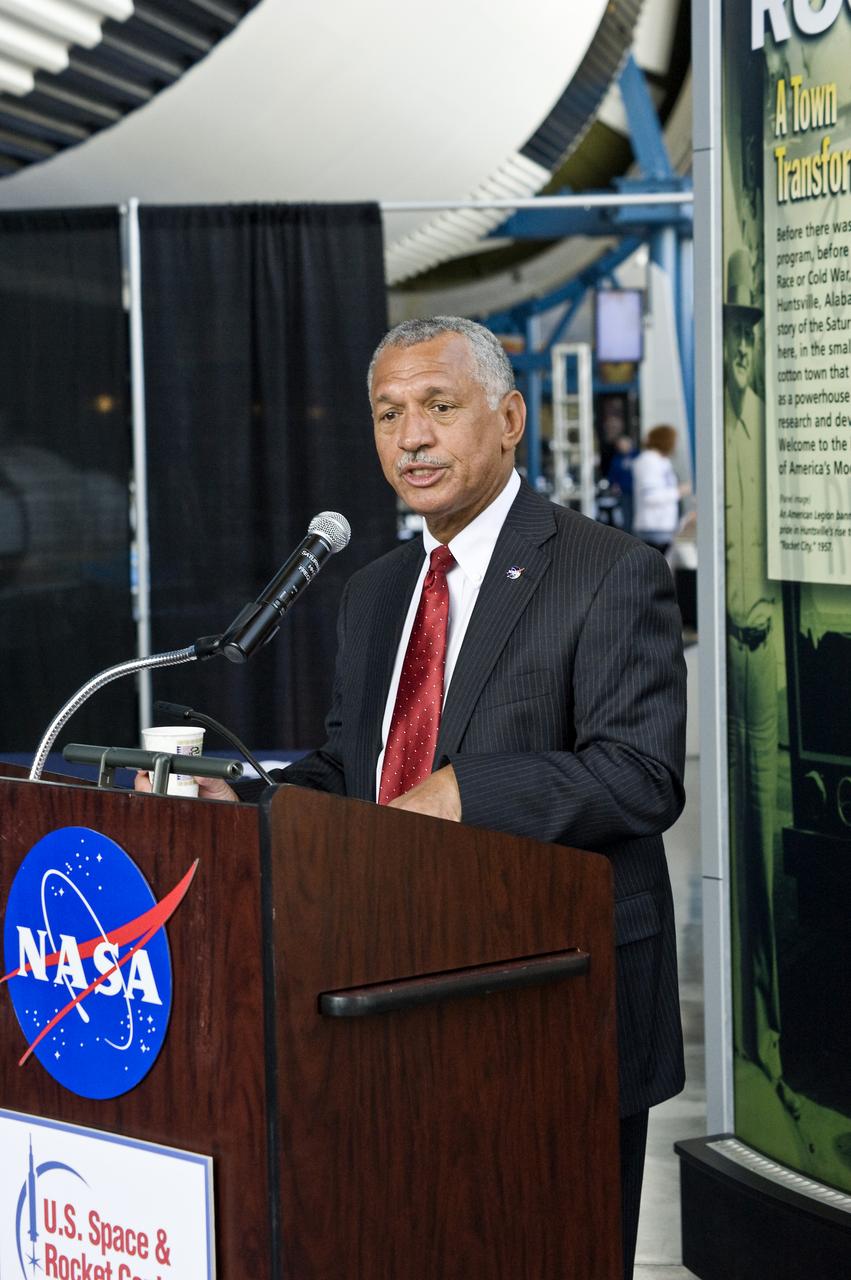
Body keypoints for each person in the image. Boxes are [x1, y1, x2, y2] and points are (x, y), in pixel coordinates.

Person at [140, 317, 686, 1278]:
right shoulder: (377, 590)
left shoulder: (606, 570)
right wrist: (244, 800)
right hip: (386, 989)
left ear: (508, 419)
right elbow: (351, 770)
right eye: (388, 414)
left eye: (438, 405)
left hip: (552, 1002)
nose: (412, 438)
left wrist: (466, 790)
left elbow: (639, 777)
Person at [722, 250, 782, 1091]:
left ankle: (769, 1012)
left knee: (764, 835)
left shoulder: (764, 423)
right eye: (733, 334)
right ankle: (753, 1023)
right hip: (731, 659)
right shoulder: (726, 428)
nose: (740, 351)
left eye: (748, 337)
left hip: (763, 657)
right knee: (740, 840)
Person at [632, 424, 687, 556]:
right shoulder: (648, 461)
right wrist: (679, 491)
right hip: (653, 527)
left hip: (663, 526)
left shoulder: (662, 461)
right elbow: (650, 496)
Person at [606, 434, 638, 533]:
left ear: (630, 444)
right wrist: (613, 484)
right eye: (620, 445)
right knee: (626, 514)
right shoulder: (617, 458)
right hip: (623, 492)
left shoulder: (638, 456)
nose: (622, 447)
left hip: (637, 491)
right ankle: (629, 535)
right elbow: (612, 474)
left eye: (624, 444)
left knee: (637, 514)